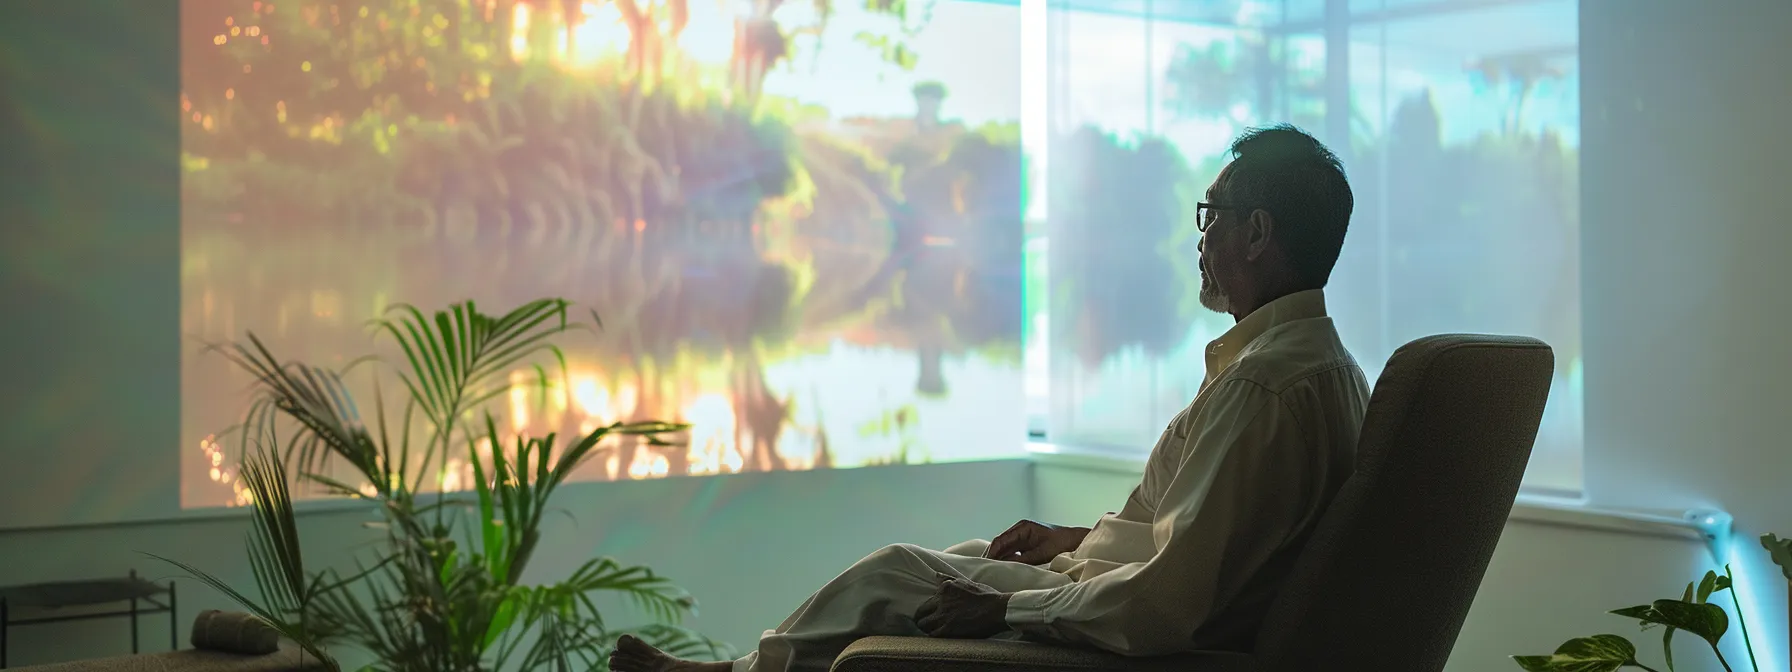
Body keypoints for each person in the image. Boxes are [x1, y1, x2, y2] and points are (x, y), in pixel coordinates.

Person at [611, 125, 1371, 672]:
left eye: (1212, 217)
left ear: (1258, 233)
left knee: (896, 575)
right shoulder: (1328, 370)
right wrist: (1074, 539)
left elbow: (1164, 606)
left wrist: (1006, 610)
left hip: (1141, 631)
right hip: (1118, 586)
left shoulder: (1260, 389)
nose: (1198, 239)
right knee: (969, 557)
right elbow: (1207, 536)